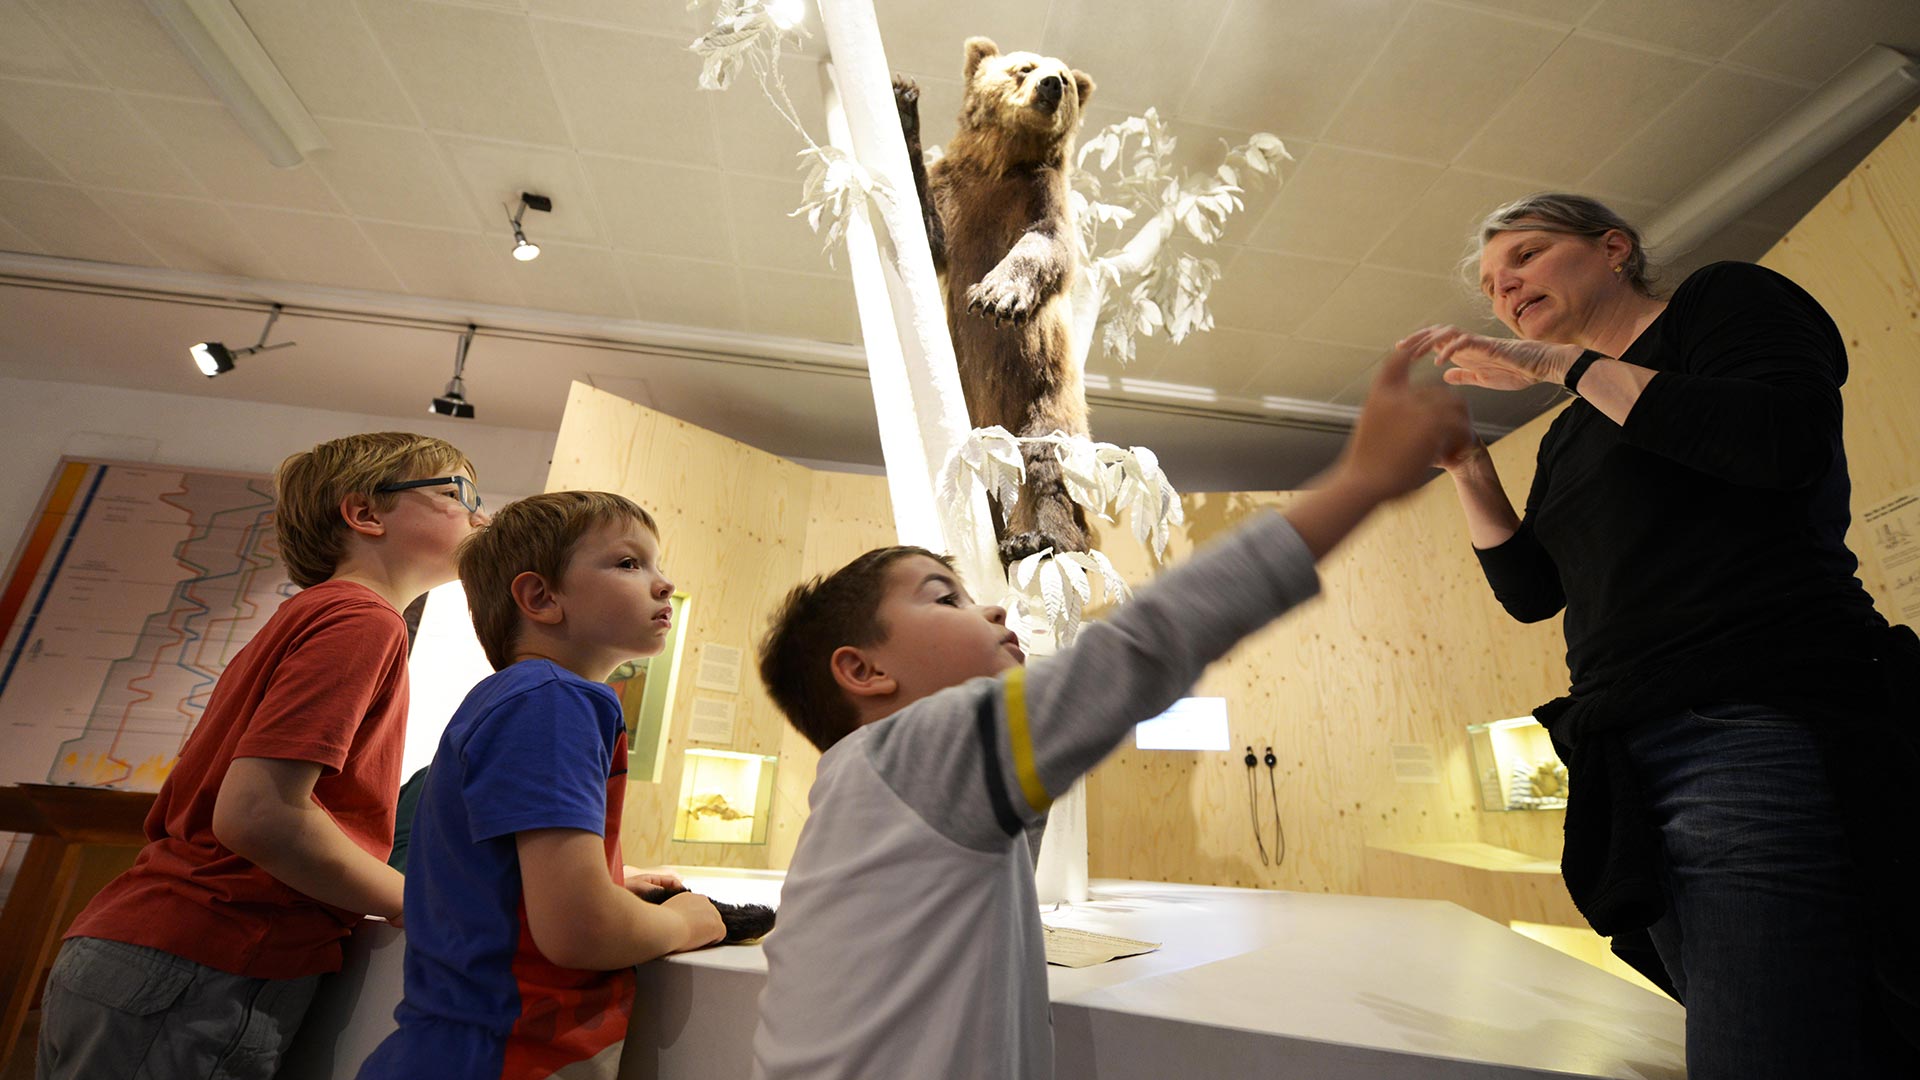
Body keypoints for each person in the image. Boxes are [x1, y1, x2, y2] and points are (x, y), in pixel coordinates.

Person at [750, 342, 1472, 1079]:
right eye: (946, 597)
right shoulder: (915, 758)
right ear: (863, 670)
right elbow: (1137, 651)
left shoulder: (871, 794)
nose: (992, 603)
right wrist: (1360, 483)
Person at [1406, 191, 1918, 1079]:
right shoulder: (1571, 434)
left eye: (1525, 255)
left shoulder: (1720, 304)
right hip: (1630, 759)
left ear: (1614, 248)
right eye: (1492, 283)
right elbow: (1533, 592)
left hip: (1752, 721)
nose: (1506, 286)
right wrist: (1466, 464)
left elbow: (1779, 442)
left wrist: (1563, 365)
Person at [37, 433, 484, 1080]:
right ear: (365, 514)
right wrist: (418, 903)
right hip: (205, 962)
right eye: (454, 493)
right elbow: (258, 815)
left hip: (153, 951)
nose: (480, 514)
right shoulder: (363, 621)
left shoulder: (321, 614)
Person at [358, 491, 724, 1080]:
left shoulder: (517, 699)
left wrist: (607, 883)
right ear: (540, 597)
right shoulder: (558, 702)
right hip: (508, 1058)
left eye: (656, 564)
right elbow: (580, 931)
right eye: (630, 563)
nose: (663, 584)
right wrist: (688, 921)